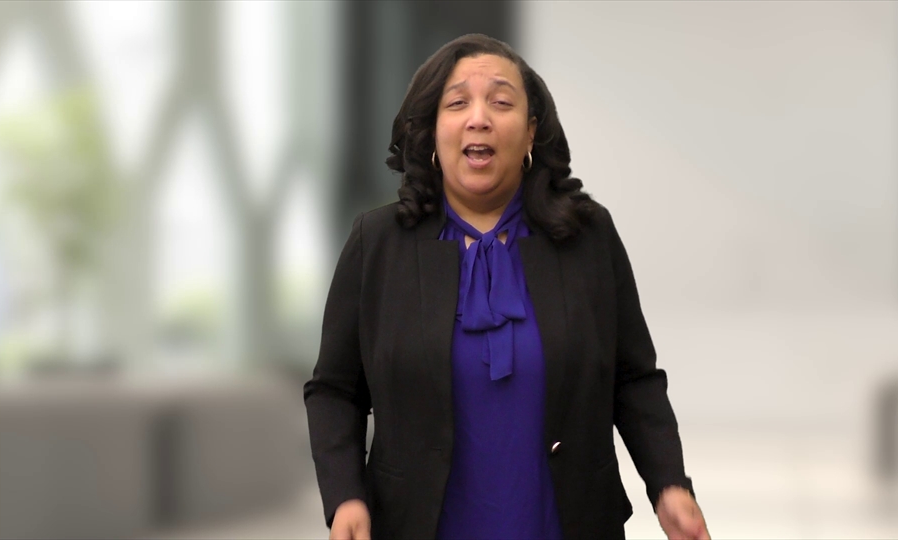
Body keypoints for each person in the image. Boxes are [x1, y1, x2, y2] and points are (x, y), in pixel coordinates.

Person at [303, 33, 710, 540]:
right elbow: (334, 389)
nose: (479, 118)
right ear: (431, 131)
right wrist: (345, 497)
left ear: (531, 131)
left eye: (501, 102)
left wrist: (668, 484)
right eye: (457, 103)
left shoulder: (587, 236)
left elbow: (634, 379)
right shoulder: (378, 243)